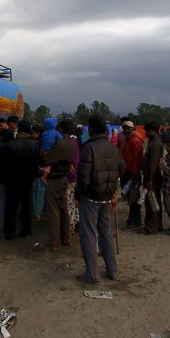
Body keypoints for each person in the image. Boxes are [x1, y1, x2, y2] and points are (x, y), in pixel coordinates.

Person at [75, 115, 125, 284]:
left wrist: (78, 195)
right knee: (106, 234)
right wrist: (112, 189)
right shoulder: (113, 147)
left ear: (90, 129)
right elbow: (121, 168)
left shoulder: (88, 148)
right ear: (106, 130)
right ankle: (112, 271)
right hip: (107, 196)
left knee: (89, 234)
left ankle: (92, 274)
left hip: (91, 196)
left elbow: (83, 177)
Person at [0, 121, 40, 240]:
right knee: (26, 206)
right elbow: (35, 164)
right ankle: (26, 230)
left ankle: (9, 232)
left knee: (11, 206)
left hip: (12, 180)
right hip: (27, 180)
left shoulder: (10, 145)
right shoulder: (33, 145)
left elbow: (5, 165)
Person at [40, 122, 76, 251]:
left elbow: (47, 160)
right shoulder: (71, 143)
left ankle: (54, 243)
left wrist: (43, 153)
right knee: (63, 209)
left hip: (54, 179)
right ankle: (66, 239)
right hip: (64, 178)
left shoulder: (59, 144)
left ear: (60, 129)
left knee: (54, 211)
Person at [120, 121, 145, 231]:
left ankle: (135, 220)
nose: (126, 130)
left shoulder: (134, 141)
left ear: (133, 129)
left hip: (132, 173)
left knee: (133, 198)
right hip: (129, 172)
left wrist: (134, 174)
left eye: (128, 128)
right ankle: (133, 219)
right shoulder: (129, 140)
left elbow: (137, 159)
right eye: (124, 128)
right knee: (131, 197)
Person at [140, 122, 164, 234]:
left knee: (152, 202)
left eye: (147, 131)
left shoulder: (155, 144)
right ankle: (156, 225)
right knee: (153, 201)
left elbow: (153, 164)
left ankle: (152, 227)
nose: (146, 133)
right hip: (151, 177)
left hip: (153, 178)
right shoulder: (152, 142)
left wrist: (149, 179)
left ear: (153, 131)